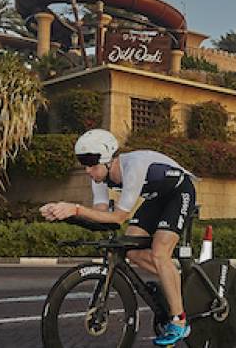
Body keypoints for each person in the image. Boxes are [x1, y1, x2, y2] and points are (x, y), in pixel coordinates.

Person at [40, 128, 196, 346]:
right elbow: (101, 218)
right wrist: (63, 214)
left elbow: (117, 219)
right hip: (156, 198)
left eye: (92, 166)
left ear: (107, 161)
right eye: (85, 165)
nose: (88, 171)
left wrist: (75, 209)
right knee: (131, 250)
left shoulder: (133, 168)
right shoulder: (99, 178)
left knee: (160, 252)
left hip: (180, 193)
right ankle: (172, 276)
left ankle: (179, 322)